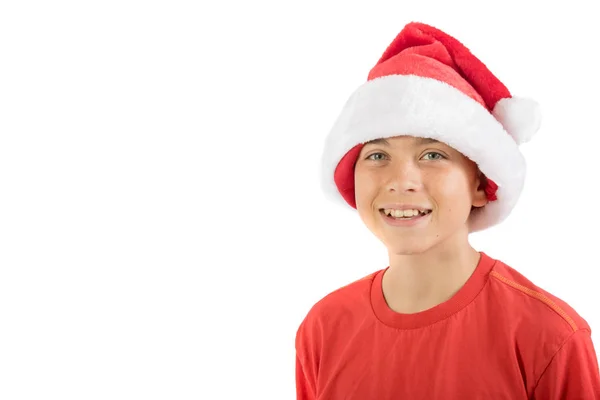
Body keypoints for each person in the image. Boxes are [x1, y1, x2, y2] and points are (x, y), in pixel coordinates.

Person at [295, 21, 600, 399]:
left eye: (433, 154)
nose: (401, 180)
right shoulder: (324, 328)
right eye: (377, 155)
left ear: (479, 183)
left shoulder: (549, 336)